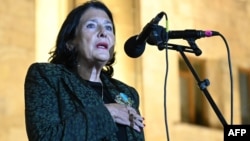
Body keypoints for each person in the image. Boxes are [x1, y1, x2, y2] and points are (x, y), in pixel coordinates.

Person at [24, 0, 145, 141]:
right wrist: (108, 113)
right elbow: (45, 138)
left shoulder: (126, 92)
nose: (103, 33)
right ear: (70, 43)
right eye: (91, 25)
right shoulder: (47, 77)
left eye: (108, 28)